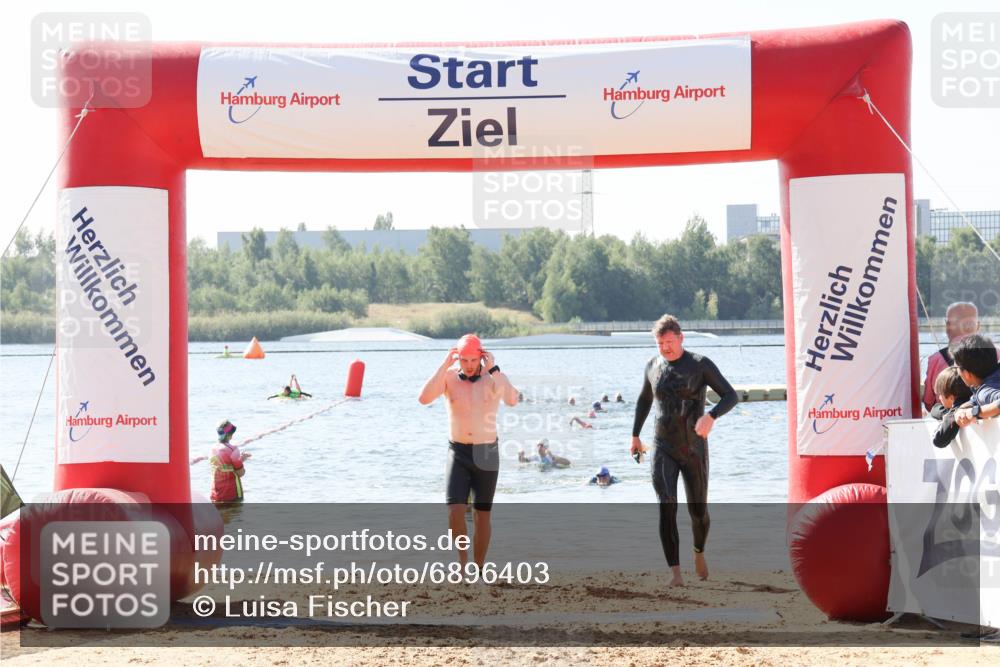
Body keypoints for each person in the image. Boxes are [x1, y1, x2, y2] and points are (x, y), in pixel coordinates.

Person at [631, 314, 737, 587]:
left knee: (698, 512)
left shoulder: (699, 365)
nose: (665, 348)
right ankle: (675, 573)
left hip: (693, 448)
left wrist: (711, 416)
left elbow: (730, 395)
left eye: (669, 342)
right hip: (662, 445)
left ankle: (699, 552)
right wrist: (634, 435)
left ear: (681, 338)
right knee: (666, 506)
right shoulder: (652, 366)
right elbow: (644, 400)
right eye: (660, 343)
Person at [418, 334, 518, 568]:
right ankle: (462, 562)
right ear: (458, 358)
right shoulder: (449, 378)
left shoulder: (493, 378)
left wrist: (494, 369)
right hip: (458, 452)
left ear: (481, 357)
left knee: (482, 516)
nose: (469, 365)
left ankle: (480, 568)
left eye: (473, 360)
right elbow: (423, 399)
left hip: (487, 453)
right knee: (455, 511)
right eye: (464, 361)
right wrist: (444, 365)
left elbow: (512, 400)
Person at [922, 302, 988, 411]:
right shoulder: (996, 354)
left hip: (948, 420)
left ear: (948, 326)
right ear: (978, 326)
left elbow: (929, 402)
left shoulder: (935, 359)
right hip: (986, 417)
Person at [953, 334, 1000, 427]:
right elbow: (975, 400)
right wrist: (961, 410)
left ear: (967, 374)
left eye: (956, 367)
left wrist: (975, 412)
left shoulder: (985, 392)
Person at [929, 367, 973, 448]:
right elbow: (935, 409)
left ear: (951, 397)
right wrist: (946, 413)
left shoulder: (959, 411)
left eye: (940, 395)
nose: (939, 398)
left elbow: (939, 441)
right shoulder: (973, 398)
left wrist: (951, 415)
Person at [209, 420, 250, 504]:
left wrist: (240, 459)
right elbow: (240, 473)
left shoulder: (212, 448)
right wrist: (241, 461)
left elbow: (223, 466)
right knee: (235, 516)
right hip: (232, 495)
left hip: (216, 494)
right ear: (229, 435)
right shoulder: (233, 449)